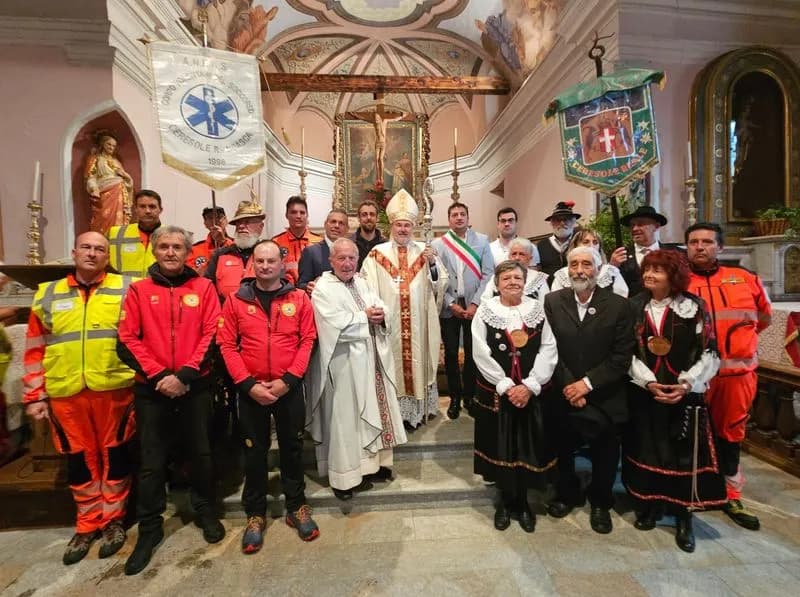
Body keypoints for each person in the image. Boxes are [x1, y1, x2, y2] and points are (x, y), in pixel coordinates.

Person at [22, 231, 136, 565]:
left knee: (115, 456)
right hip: (65, 391)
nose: (92, 253)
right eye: (86, 247)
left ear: (107, 256)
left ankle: (114, 520)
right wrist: (34, 394)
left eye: (99, 249)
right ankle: (87, 524)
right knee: (79, 460)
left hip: (113, 386)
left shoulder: (125, 289)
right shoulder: (48, 294)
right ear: (74, 252)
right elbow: (33, 347)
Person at [117, 226, 224, 575]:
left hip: (195, 386)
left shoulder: (204, 287)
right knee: (151, 461)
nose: (170, 252)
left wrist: (186, 375)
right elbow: (127, 339)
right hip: (153, 389)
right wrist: (161, 376)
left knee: (201, 452)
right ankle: (149, 530)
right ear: (154, 251)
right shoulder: (138, 290)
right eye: (164, 246)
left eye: (177, 247)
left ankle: (206, 512)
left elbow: (213, 332)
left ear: (188, 252)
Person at [217, 240, 319, 553]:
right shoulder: (235, 301)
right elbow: (226, 345)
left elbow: (308, 339)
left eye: (270, 261)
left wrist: (288, 381)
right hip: (250, 391)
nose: (264, 266)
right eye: (259, 261)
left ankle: (296, 507)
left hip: (288, 389)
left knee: (291, 448)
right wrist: (247, 385)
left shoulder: (299, 298)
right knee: (254, 452)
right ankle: (255, 514)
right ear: (253, 265)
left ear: (281, 264)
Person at [623, 249, 725, 553]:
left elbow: (709, 350)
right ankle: (651, 505)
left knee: (682, 455)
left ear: (674, 274)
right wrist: (649, 381)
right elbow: (626, 350)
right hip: (646, 391)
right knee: (649, 449)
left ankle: (683, 516)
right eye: (647, 269)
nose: (650, 275)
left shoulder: (693, 307)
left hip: (684, 394)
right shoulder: (634, 306)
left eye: (658, 270)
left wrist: (687, 383)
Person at [686, 222, 772, 531]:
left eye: (707, 242)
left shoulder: (747, 280)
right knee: (692, 434)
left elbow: (763, 318)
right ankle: (695, 490)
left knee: (731, 434)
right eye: (694, 242)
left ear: (719, 247)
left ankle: (732, 493)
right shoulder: (680, 283)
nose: (700, 247)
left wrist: (738, 347)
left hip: (735, 374)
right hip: (695, 377)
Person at [306, 238, 407, 501]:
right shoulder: (323, 289)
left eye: (352, 258)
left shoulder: (363, 282)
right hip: (343, 367)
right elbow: (333, 325)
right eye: (341, 258)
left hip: (371, 362)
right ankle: (345, 477)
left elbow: (380, 305)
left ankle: (372, 466)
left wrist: (381, 315)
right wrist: (366, 317)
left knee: (373, 412)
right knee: (346, 420)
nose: (348, 263)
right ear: (331, 261)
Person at [544, 246, 635, 534]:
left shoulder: (620, 306)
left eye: (586, 264)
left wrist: (586, 385)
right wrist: (570, 384)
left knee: (605, 451)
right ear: (566, 269)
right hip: (563, 390)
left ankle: (600, 501)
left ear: (598, 269)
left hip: (604, 394)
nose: (580, 270)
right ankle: (566, 493)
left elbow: (622, 357)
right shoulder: (552, 301)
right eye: (574, 265)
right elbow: (548, 350)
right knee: (563, 446)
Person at [472, 260, 558, 533]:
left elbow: (548, 348)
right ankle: (504, 502)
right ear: (497, 284)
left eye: (517, 278)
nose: (512, 282)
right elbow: (480, 352)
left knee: (525, 446)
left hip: (530, 393)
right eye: (506, 278)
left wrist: (531, 384)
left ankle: (523, 503)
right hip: (499, 394)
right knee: (501, 447)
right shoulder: (486, 310)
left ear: (525, 282)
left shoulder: (538, 310)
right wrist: (506, 385)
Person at [361, 189, 448, 428]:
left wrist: (432, 264)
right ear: (392, 226)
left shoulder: (425, 251)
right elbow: (366, 286)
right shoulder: (376, 254)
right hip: (390, 328)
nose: (403, 230)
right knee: (392, 367)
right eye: (399, 225)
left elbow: (441, 283)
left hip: (418, 325)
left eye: (407, 226)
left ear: (413, 227)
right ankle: (393, 413)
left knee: (417, 365)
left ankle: (416, 414)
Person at [433, 202, 494, 419]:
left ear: (468, 217)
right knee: (450, 354)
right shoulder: (438, 245)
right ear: (449, 219)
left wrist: (475, 304)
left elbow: (489, 274)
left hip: (474, 307)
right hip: (450, 308)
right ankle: (455, 398)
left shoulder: (482, 241)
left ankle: (469, 397)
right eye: (454, 215)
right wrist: (450, 303)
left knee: (471, 353)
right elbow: (436, 278)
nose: (458, 218)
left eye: (462, 214)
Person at [205, 200, 265, 301]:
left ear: (260, 227)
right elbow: (207, 289)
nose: (241, 226)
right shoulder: (220, 255)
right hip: (225, 314)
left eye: (247, 222)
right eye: (238, 222)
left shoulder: (269, 254)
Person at [609, 205, 669, 297]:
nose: (635, 229)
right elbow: (610, 287)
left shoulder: (671, 253)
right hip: (631, 308)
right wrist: (612, 267)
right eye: (632, 225)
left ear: (656, 226)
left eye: (641, 224)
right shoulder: (620, 254)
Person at [551, 229, 629, 297]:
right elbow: (556, 302)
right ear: (575, 246)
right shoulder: (563, 275)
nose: (591, 246)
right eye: (586, 242)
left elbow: (621, 299)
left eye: (595, 242)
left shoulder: (610, 271)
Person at [84, 131, 134, 235]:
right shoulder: (95, 159)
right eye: (109, 144)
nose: (111, 147)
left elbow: (127, 181)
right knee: (103, 216)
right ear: (103, 144)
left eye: (114, 146)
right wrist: (94, 188)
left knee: (119, 218)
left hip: (118, 190)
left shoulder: (117, 162)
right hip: (103, 191)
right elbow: (91, 177)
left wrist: (126, 176)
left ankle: (118, 238)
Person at [108, 190, 163, 278]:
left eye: (152, 207)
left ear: (160, 210)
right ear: (136, 209)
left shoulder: (171, 235)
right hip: (123, 289)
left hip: (157, 289)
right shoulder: (115, 234)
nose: (147, 211)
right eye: (142, 206)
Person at [272, 196, 322, 285]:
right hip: (285, 292)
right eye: (293, 212)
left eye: (302, 212)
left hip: (313, 291)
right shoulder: (276, 242)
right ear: (286, 215)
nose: (298, 216)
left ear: (307, 215)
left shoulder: (319, 241)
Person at [297, 208, 349, 293]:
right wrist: (308, 287)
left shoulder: (352, 253)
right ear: (325, 224)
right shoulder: (310, 252)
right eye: (333, 222)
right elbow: (301, 285)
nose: (336, 226)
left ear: (347, 229)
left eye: (341, 223)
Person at [481, 237, 549, 302]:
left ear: (530, 258)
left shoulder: (538, 278)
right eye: (514, 254)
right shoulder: (497, 276)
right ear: (509, 256)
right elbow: (485, 300)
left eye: (521, 254)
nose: (517, 257)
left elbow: (544, 305)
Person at [537, 201, 580, 284]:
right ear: (552, 223)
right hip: (549, 293)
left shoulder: (580, 242)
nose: (562, 223)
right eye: (558, 220)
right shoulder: (541, 245)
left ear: (573, 222)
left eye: (566, 219)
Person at [186, 206, 234, 276]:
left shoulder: (237, 245)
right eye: (210, 218)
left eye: (219, 217)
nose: (215, 221)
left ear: (226, 221)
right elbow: (190, 275)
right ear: (205, 223)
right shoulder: (194, 249)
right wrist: (211, 260)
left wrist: (223, 241)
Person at [351, 199, 384, 268]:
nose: (368, 218)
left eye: (372, 214)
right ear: (359, 218)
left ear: (377, 218)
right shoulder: (350, 244)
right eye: (364, 214)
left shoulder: (385, 245)